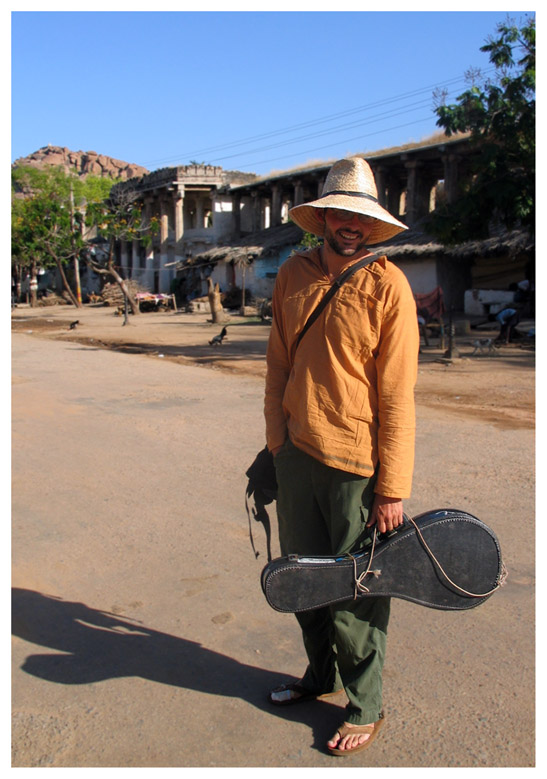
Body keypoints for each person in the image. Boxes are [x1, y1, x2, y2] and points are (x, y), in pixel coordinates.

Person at [264, 156, 419, 756]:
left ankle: (365, 703)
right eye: (341, 213)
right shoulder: (293, 274)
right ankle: (319, 676)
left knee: (358, 588)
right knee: (305, 581)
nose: (350, 225)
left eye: (361, 216)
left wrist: (392, 487)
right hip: (296, 454)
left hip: (357, 463)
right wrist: (276, 442)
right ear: (323, 216)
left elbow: (397, 394)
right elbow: (278, 363)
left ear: (372, 224)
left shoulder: (388, 286)